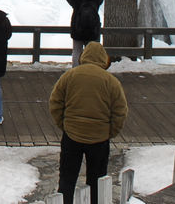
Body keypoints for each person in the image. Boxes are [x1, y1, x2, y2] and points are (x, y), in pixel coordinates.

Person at [48, 42, 128, 204]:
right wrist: (109, 132)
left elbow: (55, 102)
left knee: (67, 180)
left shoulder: (70, 76)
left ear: (84, 56)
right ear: (103, 59)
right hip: (99, 138)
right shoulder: (111, 81)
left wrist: (64, 125)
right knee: (96, 182)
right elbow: (120, 111)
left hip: (72, 135)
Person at [65, 0, 103, 67]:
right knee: (92, 52)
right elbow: (100, 0)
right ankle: (92, 70)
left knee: (77, 51)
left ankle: (76, 71)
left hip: (78, 27)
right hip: (93, 28)